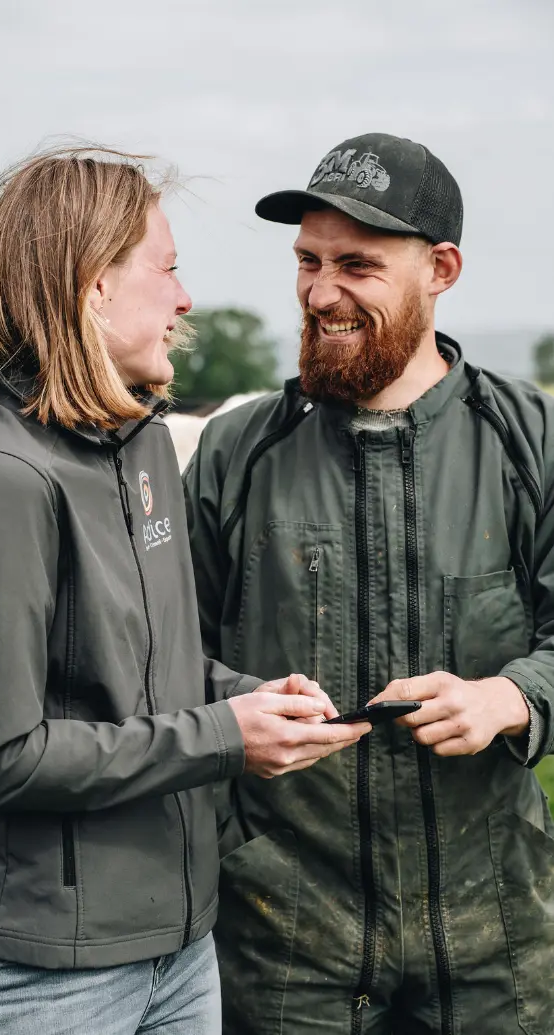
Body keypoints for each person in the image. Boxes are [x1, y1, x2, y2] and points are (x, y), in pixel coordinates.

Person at [0, 146, 369, 1035]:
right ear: (93, 288)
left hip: (179, 954)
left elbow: (150, 674)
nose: (186, 298)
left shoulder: (145, 448)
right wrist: (222, 738)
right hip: (37, 980)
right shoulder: (1, 484)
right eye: (167, 269)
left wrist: (249, 700)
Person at [184, 132, 554, 1035]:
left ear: (441, 269)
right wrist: (238, 708)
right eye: (307, 262)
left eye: (356, 265)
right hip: (283, 942)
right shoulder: (237, 454)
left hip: (496, 943)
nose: (320, 293)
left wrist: (511, 694)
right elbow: (164, 656)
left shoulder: (529, 440)